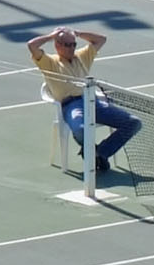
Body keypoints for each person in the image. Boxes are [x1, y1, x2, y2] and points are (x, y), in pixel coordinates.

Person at [29, 27, 138, 177]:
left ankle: (100, 153)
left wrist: (78, 34)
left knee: (133, 123)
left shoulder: (82, 56)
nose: (72, 48)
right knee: (81, 129)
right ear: (57, 45)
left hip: (93, 102)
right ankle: (94, 153)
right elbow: (32, 45)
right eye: (67, 45)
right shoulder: (49, 62)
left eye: (74, 44)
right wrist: (52, 35)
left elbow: (101, 39)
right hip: (71, 105)